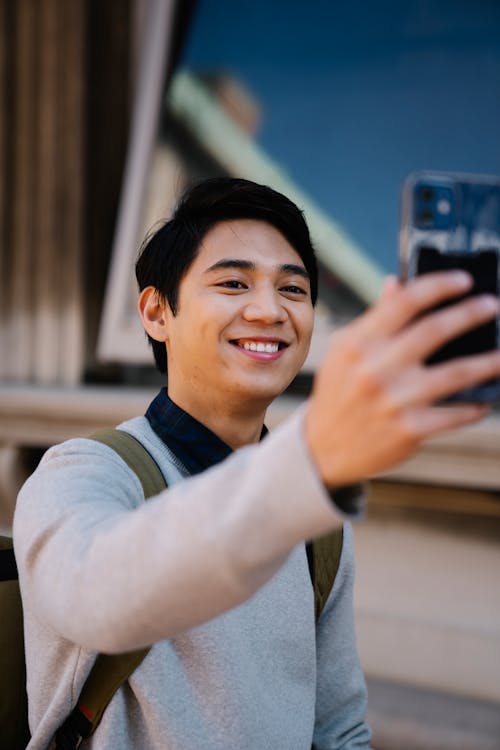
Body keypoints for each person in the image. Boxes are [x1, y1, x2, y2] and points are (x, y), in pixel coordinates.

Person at [14, 177, 500, 750]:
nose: (269, 311)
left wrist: (307, 475)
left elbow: (337, 728)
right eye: (233, 282)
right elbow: (93, 597)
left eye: (293, 290)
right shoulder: (83, 472)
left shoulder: (315, 518)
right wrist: (312, 459)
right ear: (155, 312)